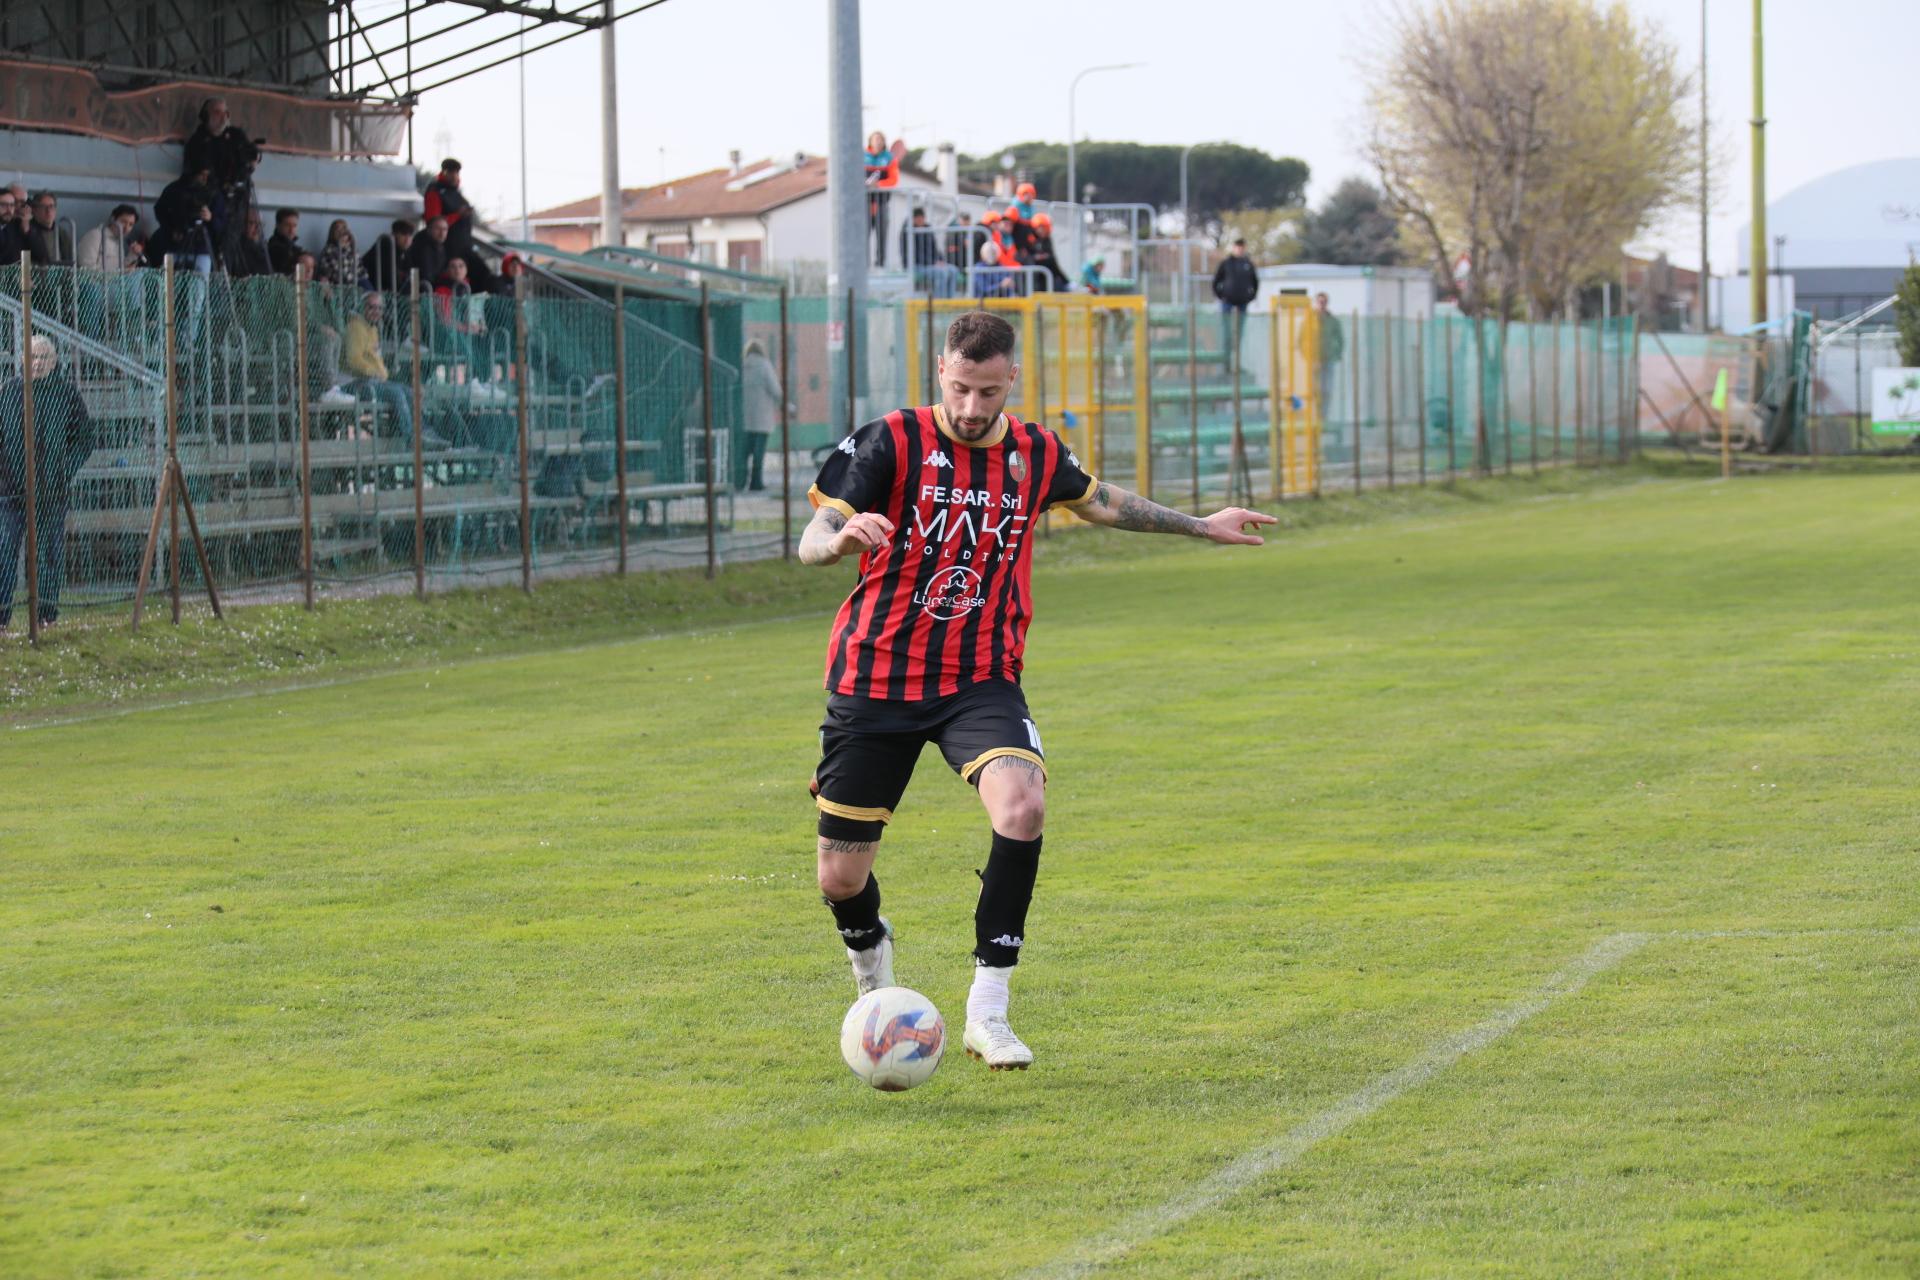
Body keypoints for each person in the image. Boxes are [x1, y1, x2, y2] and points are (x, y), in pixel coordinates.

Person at [797, 310, 1274, 1068]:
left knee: (1022, 805)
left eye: (988, 391)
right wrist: (838, 542)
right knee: (840, 875)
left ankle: (989, 1010)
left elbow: (1100, 500)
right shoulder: (890, 440)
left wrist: (1199, 525)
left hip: (980, 679)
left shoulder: (1035, 452)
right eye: (960, 387)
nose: (971, 406)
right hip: (875, 680)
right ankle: (870, 957)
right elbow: (812, 536)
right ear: (941, 371)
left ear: (1011, 378)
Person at [0, 336, 96, 631]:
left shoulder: (66, 394)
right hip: (11, 492)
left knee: (49, 556)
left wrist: (64, 470)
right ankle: (1, 618)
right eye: (33, 357)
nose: (38, 363)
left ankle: (47, 616)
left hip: (52, 492)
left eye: (44, 358)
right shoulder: (8, 392)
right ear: (23, 360)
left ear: (54, 362)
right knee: (4, 551)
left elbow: (85, 438)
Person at [341, 292, 443, 446]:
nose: (376, 311)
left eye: (379, 308)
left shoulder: (372, 329)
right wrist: (375, 372)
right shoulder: (356, 327)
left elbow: (376, 361)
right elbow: (353, 360)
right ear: (362, 308)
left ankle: (425, 432)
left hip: (373, 382)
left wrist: (381, 374)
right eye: (371, 307)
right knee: (396, 393)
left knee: (409, 392)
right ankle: (410, 437)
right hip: (354, 383)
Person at [182, 97, 261, 254]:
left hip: (237, 203)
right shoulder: (198, 141)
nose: (224, 117)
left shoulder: (236, 135)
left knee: (233, 247)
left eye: (226, 113)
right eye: (218, 112)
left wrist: (254, 159)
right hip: (212, 203)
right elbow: (200, 171)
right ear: (206, 116)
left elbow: (250, 155)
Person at [423, 158, 494, 293]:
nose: (454, 176)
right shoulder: (435, 191)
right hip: (448, 250)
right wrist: (457, 215)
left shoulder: (456, 193)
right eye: (450, 172)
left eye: (456, 172)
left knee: (485, 277)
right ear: (443, 172)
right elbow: (432, 222)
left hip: (465, 248)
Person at [740, 340, 790, 492]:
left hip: (744, 418)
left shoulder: (742, 366)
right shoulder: (764, 365)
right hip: (762, 417)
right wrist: (784, 403)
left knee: (744, 452)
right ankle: (756, 482)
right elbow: (775, 390)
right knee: (758, 453)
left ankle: (741, 480)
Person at [1211, 238, 1260, 367]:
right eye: (1238, 247)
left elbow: (1255, 282)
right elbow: (1216, 280)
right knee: (1226, 333)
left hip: (1242, 303)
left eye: (1242, 247)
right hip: (1227, 302)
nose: (1240, 249)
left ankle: (1239, 363)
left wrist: (1251, 297)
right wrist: (1220, 296)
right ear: (1234, 248)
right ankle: (1225, 363)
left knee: (1240, 335)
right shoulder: (1226, 263)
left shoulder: (1248, 264)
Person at [1306, 291, 1345, 423]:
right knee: (1314, 389)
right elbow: (1301, 339)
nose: (1322, 304)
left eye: (1324, 302)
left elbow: (1340, 339)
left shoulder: (1332, 321)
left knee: (1327, 389)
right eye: (1320, 302)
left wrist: (1337, 354)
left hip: (1328, 360)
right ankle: (1314, 416)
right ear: (1316, 303)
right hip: (1314, 360)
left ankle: (1324, 417)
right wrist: (1308, 356)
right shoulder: (1310, 320)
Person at [864, 132, 899, 269]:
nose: (878, 142)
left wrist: (878, 185)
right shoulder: (862, 156)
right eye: (876, 139)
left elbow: (893, 180)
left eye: (881, 140)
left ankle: (880, 264)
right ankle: (864, 265)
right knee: (863, 235)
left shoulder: (889, 158)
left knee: (882, 235)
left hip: (882, 203)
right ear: (870, 141)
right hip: (865, 204)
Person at [77, 205, 139, 272]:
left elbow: (119, 267)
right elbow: (86, 268)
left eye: (131, 224)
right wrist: (120, 273)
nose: (126, 228)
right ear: (113, 219)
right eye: (123, 222)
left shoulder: (118, 241)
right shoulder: (95, 236)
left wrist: (133, 255)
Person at [361, 220, 416, 293]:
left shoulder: (406, 250)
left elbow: (412, 273)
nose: (407, 240)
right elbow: (389, 277)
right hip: (372, 288)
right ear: (394, 234)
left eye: (410, 235)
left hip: (386, 290)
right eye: (403, 234)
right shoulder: (386, 245)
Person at [25, 192, 74, 266]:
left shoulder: (62, 234)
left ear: (55, 210)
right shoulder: (27, 231)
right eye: (43, 207)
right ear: (34, 210)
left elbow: (69, 261)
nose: (48, 211)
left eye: (51, 206)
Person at [1027, 212, 1070, 293]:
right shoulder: (1030, 239)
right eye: (1040, 228)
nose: (1042, 231)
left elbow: (1052, 260)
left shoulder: (1047, 240)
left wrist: (1066, 280)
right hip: (1035, 279)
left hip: (1047, 278)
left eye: (1044, 228)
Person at [222, 211, 272, 278]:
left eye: (260, 224)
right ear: (242, 224)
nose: (257, 227)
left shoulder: (264, 247)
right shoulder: (235, 247)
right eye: (252, 223)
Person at [407, 216, 450, 292]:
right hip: (422, 292)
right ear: (429, 229)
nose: (442, 233)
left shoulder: (440, 245)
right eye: (438, 228)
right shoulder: (422, 247)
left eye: (445, 229)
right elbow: (427, 276)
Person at [315, 219, 360, 288]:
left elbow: (360, 270)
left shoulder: (352, 249)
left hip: (356, 284)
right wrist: (341, 248)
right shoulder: (329, 250)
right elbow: (334, 274)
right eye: (338, 229)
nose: (341, 232)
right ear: (333, 234)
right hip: (337, 286)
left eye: (344, 228)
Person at [267, 209, 302, 276]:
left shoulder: (295, 249)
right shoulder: (273, 248)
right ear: (278, 225)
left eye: (294, 225)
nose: (291, 230)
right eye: (287, 225)